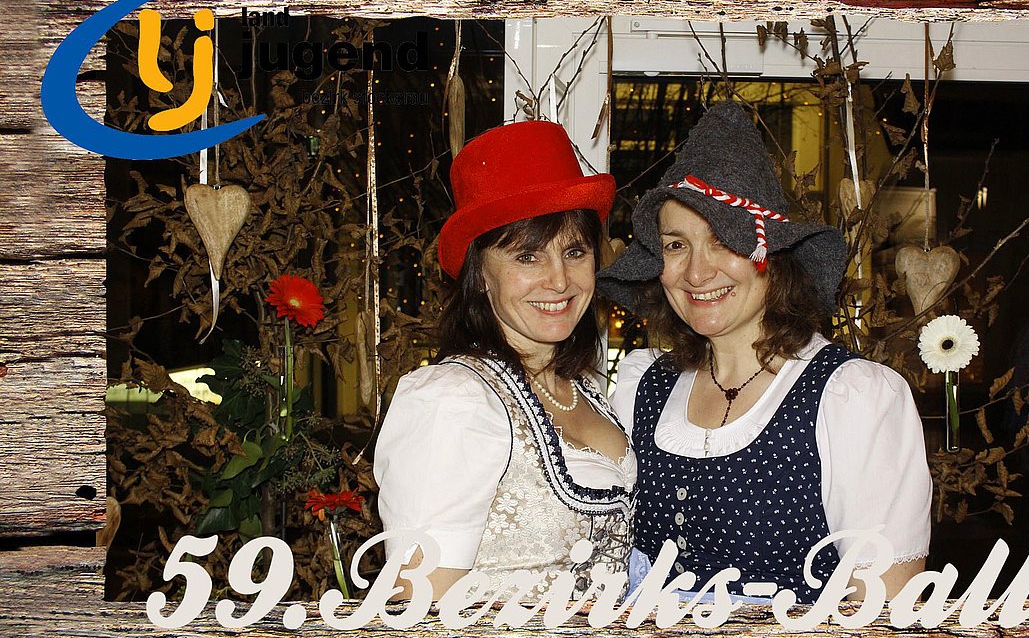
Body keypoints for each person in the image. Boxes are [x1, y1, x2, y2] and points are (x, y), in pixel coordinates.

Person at [598, 101, 931, 603]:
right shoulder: (642, 388)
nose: (697, 272)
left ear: (772, 257)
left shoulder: (852, 398)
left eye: (724, 241)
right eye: (676, 245)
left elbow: (880, 613)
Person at [374, 120, 635, 601]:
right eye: (527, 257)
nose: (560, 280)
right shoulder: (453, 401)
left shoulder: (586, 390)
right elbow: (419, 608)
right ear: (480, 275)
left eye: (574, 251)